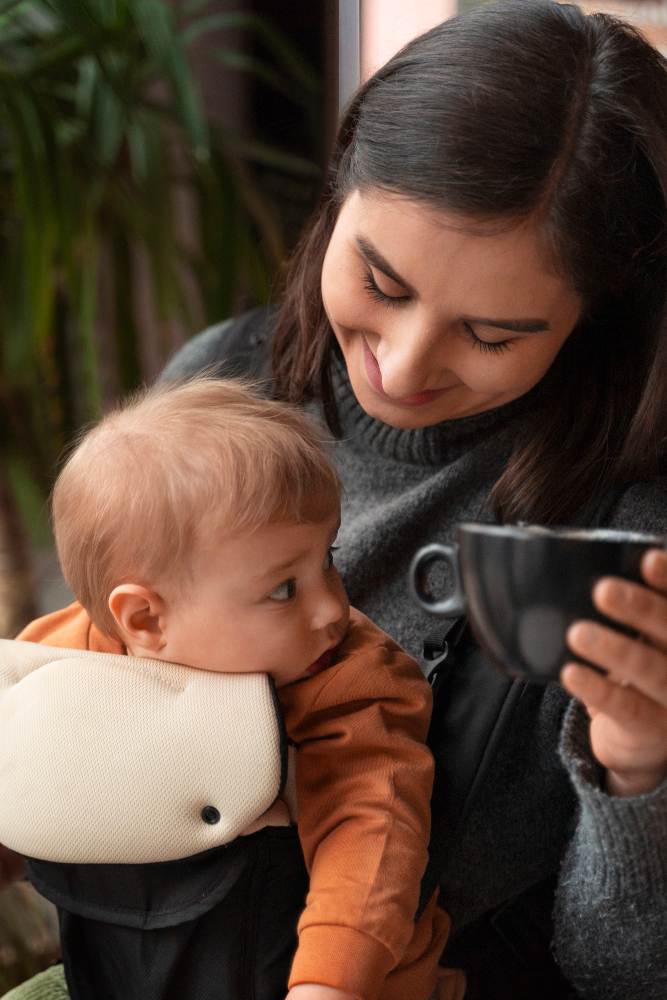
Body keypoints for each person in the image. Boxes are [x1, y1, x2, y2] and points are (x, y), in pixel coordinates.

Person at [6, 0, 667, 997]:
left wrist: (634, 770)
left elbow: (619, 976)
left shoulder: (620, 535)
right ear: (336, 191)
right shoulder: (221, 379)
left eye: (492, 335)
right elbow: (81, 676)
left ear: (593, 316)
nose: (402, 366)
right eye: (379, 280)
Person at [4, 377, 459, 1000]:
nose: (332, 608)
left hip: (331, 978)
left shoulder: (350, 680)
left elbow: (372, 832)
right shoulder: (61, 662)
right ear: (144, 621)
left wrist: (331, 983)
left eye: (326, 557)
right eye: (283, 589)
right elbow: (18, 763)